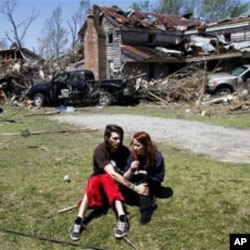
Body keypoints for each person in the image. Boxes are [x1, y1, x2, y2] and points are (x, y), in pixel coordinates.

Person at [69, 124, 149, 241]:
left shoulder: (124, 151)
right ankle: (79, 219)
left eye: (120, 138)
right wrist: (135, 188)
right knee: (97, 178)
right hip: (99, 189)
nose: (118, 141)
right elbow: (113, 174)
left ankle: (122, 217)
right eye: (115, 138)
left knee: (106, 178)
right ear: (107, 138)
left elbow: (129, 168)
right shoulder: (100, 151)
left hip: (116, 186)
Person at [123, 131, 165, 225]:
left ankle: (146, 210)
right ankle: (150, 200)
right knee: (129, 184)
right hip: (136, 183)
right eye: (133, 145)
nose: (135, 148)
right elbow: (125, 177)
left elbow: (159, 178)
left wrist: (146, 174)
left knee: (142, 179)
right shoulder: (132, 156)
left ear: (146, 145)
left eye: (138, 145)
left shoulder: (157, 157)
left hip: (153, 184)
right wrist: (131, 169)